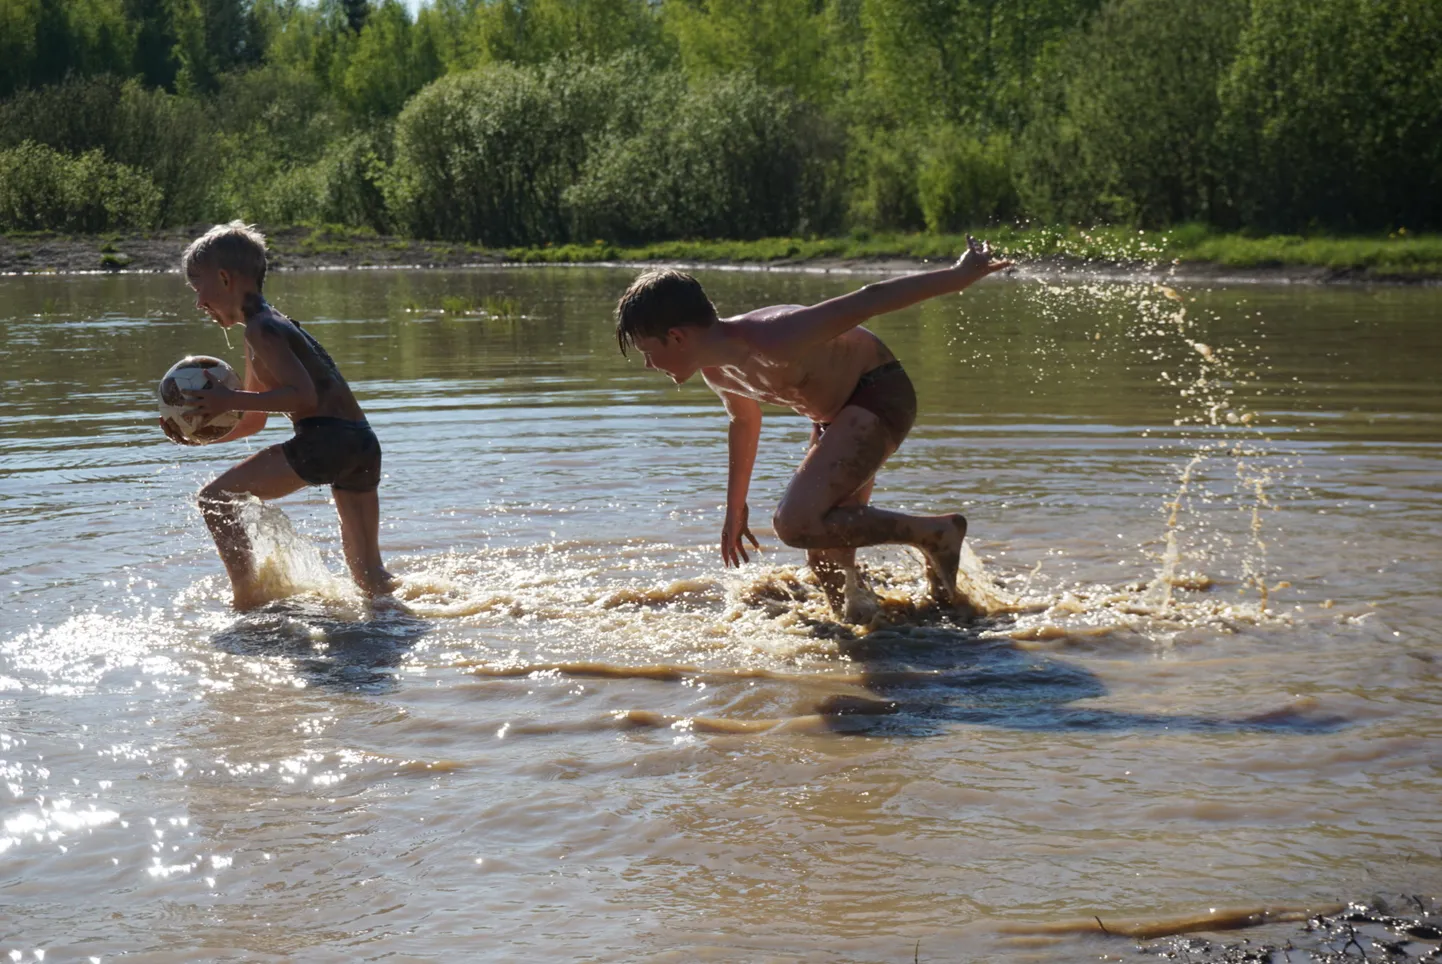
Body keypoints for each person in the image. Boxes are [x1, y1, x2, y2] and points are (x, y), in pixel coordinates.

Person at [614, 237, 1011, 619]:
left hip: (878, 392)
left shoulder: (775, 335)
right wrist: (735, 509)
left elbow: (870, 299)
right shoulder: (718, 373)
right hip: (835, 419)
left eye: (649, 353)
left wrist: (960, 276)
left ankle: (934, 533)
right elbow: (744, 420)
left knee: (796, 522)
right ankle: (936, 611)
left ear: (677, 336)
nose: (650, 365)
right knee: (826, 562)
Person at [172, 221, 395, 609]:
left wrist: (228, 399)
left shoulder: (262, 330)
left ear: (224, 278)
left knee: (216, 500)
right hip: (360, 441)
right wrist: (199, 435)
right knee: (369, 577)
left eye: (198, 288)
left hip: (325, 440)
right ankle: (425, 606)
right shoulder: (272, 324)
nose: (198, 302)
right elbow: (253, 419)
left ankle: (247, 602)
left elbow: (301, 396)